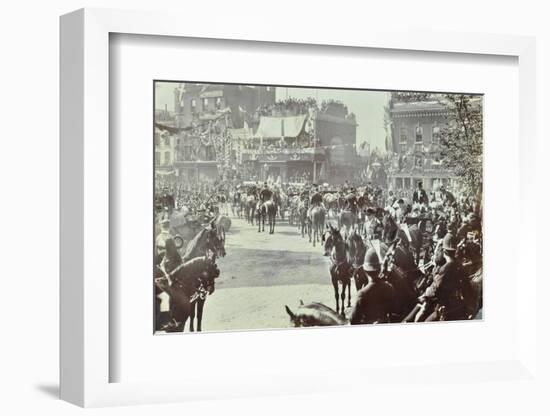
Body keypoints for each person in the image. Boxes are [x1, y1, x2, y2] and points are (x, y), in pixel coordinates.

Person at [418, 233, 466, 321]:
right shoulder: (460, 265)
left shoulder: (444, 269)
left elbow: (435, 289)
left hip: (445, 306)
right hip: (458, 304)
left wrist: (425, 294)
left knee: (425, 321)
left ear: (444, 252)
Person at [350, 248, 395, 324]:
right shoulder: (389, 288)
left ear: (365, 271)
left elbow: (353, 321)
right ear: (380, 269)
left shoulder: (362, 294)